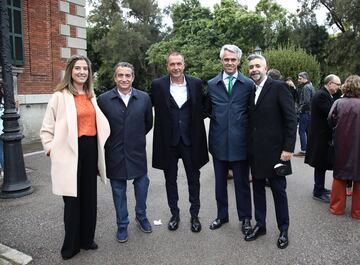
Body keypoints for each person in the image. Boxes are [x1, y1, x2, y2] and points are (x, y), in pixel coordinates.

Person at [40, 55, 110, 260]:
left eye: (85, 69)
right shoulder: (59, 96)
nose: (82, 72)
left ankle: (87, 239)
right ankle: (71, 246)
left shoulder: (90, 95)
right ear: (70, 71)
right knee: (72, 200)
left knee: (89, 197)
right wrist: (52, 150)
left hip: (90, 149)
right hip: (69, 150)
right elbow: (46, 129)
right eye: (78, 68)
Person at [150, 52, 208, 233]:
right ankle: (174, 214)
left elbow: (205, 108)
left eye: (179, 64)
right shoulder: (158, 85)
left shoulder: (196, 83)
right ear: (167, 66)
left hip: (191, 140)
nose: (176, 67)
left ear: (184, 65)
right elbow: (147, 108)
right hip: (168, 142)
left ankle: (194, 215)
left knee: (194, 179)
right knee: (170, 180)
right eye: (172, 64)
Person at [245, 54, 297, 249]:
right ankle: (261, 225)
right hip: (255, 153)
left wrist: (288, 148)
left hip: (277, 153)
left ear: (266, 68)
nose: (254, 69)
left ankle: (283, 229)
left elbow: (291, 120)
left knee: (278, 192)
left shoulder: (279, 88)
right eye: (251, 67)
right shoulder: (250, 91)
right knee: (257, 190)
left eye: (257, 65)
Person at [98, 62, 153, 242]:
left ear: (133, 77)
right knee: (118, 190)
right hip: (114, 152)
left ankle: (141, 216)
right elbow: (101, 127)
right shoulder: (104, 100)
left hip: (137, 151)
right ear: (115, 78)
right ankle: (122, 225)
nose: (124, 79)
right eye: (120, 75)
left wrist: (133, 137)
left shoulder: (144, 98)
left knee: (142, 185)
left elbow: (148, 123)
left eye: (127, 75)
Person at [205, 44, 253, 235]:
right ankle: (222, 215)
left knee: (242, 184)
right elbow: (207, 110)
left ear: (239, 61)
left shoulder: (248, 85)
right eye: (226, 59)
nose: (230, 63)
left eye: (233, 59)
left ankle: (246, 218)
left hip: (241, 143)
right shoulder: (211, 84)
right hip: (218, 143)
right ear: (221, 61)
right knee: (219, 184)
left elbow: (252, 113)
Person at [305, 74, 341, 203]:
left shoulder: (326, 94)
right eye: (337, 84)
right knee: (320, 164)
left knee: (322, 163)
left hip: (321, 135)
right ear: (330, 83)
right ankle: (318, 191)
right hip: (320, 136)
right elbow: (331, 113)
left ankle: (320, 188)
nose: (339, 87)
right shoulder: (322, 95)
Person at [328, 75, 360, 219]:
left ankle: (337, 208)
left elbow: (330, 120)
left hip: (342, 143)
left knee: (339, 175)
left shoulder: (338, 103)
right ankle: (357, 212)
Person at [294, 72, 314, 156]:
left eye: (300, 78)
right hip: (310, 112)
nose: (298, 80)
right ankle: (309, 149)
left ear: (305, 78)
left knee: (301, 131)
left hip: (305, 112)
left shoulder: (306, 87)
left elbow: (306, 101)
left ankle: (303, 150)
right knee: (307, 131)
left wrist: (299, 110)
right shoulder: (310, 86)